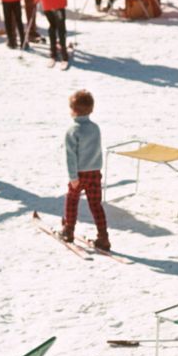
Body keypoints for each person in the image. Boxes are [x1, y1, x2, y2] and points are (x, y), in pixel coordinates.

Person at [62, 88, 110, 251]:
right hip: (94, 173)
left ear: (73, 111)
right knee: (96, 205)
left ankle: (68, 230)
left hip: (79, 174)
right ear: (91, 109)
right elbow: (96, 149)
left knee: (72, 200)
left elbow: (71, 156)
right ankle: (103, 237)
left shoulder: (73, 130)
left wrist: (72, 177)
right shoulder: (95, 128)